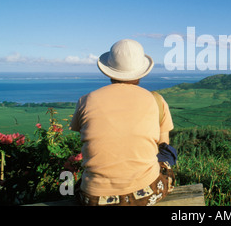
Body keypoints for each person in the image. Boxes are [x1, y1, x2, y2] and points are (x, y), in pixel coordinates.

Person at [70, 39, 177, 206]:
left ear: (108, 70)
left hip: (93, 199)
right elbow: (163, 144)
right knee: (167, 152)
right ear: (142, 71)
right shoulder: (156, 100)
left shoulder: (86, 100)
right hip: (145, 194)